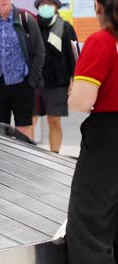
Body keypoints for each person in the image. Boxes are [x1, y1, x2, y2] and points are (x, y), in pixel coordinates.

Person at [66, 0, 118, 263]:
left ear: (98, 6)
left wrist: (75, 85)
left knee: (90, 220)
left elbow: (81, 102)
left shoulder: (102, 41)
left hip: (107, 136)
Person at [0, 0, 45, 139]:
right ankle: (1, 160)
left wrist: (32, 80)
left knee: (23, 129)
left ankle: (24, 160)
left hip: (23, 83)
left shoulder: (26, 19)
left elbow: (39, 51)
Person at [32, 0, 78, 153]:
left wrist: (74, 80)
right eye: (42, 3)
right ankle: (26, 154)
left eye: (49, 3)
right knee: (30, 120)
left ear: (57, 6)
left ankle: (54, 156)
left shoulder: (65, 27)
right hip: (34, 82)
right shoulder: (31, 25)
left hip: (58, 83)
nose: (45, 7)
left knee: (54, 120)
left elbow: (73, 56)